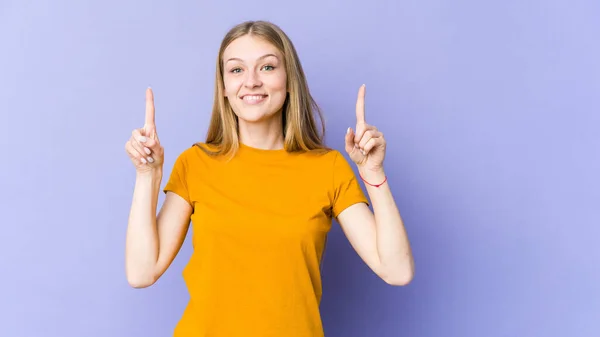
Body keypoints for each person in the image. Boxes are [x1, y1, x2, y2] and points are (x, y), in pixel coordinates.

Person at [124, 20, 414, 337]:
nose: (251, 81)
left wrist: (373, 174)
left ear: (289, 80)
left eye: (267, 67)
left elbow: (396, 271)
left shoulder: (327, 167)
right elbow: (141, 272)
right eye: (236, 70)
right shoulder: (196, 163)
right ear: (223, 87)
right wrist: (147, 175)